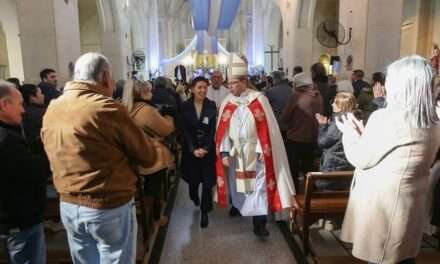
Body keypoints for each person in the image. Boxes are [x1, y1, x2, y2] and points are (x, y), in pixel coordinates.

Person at [41, 52, 157, 263]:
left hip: (68, 204)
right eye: (111, 77)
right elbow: (147, 156)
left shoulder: (53, 107)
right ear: (104, 76)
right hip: (106, 205)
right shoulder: (107, 107)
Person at [337, 56, 440, 264]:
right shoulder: (433, 121)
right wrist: (364, 135)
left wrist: (350, 134)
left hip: (384, 207)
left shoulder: (387, 118)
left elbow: (361, 158)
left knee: (383, 257)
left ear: (402, 85)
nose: (386, 85)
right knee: (402, 257)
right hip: (409, 204)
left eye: (390, 80)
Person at [216, 53, 295, 237]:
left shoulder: (259, 99)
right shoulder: (227, 102)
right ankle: (238, 206)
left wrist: (262, 149)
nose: (230, 87)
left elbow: (266, 128)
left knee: (258, 188)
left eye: (233, 83)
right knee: (239, 188)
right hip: (237, 155)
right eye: (229, 83)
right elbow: (223, 130)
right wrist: (225, 152)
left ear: (244, 81)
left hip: (256, 155)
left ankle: (259, 224)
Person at [0, 80, 50, 264]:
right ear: (4, 105)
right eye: (20, 104)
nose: (23, 110)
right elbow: (36, 172)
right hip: (19, 221)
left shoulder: (9, 134)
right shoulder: (6, 140)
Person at [122, 79, 175, 220]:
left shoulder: (124, 108)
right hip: (148, 156)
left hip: (130, 155)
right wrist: (169, 117)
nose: (152, 93)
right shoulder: (145, 110)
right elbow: (165, 129)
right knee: (154, 185)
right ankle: (155, 217)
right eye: (149, 90)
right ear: (143, 92)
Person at [181, 76, 217, 228]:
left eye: (204, 87)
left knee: (208, 183)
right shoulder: (184, 106)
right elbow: (184, 131)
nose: (202, 90)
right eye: (199, 87)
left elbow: (212, 129)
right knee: (193, 182)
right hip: (191, 151)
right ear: (192, 89)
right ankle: (194, 196)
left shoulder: (211, 105)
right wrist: (193, 149)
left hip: (207, 150)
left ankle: (204, 211)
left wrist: (206, 148)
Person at [282, 72, 324, 188]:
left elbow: (285, 117)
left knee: (293, 169)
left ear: (297, 84)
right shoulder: (318, 96)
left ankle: (294, 194)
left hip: (296, 137)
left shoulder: (296, 96)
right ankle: (310, 193)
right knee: (309, 168)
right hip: (313, 137)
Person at [315, 92, 356, 191]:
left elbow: (322, 142)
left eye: (335, 103)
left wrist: (323, 125)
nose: (332, 104)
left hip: (334, 166)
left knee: (330, 193)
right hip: (348, 164)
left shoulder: (339, 122)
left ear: (342, 106)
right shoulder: (354, 118)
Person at [265, 70, 292, 136]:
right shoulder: (291, 89)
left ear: (274, 79)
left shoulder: (271, 91)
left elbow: (266, 107)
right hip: (290, 124)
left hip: (277, 124)